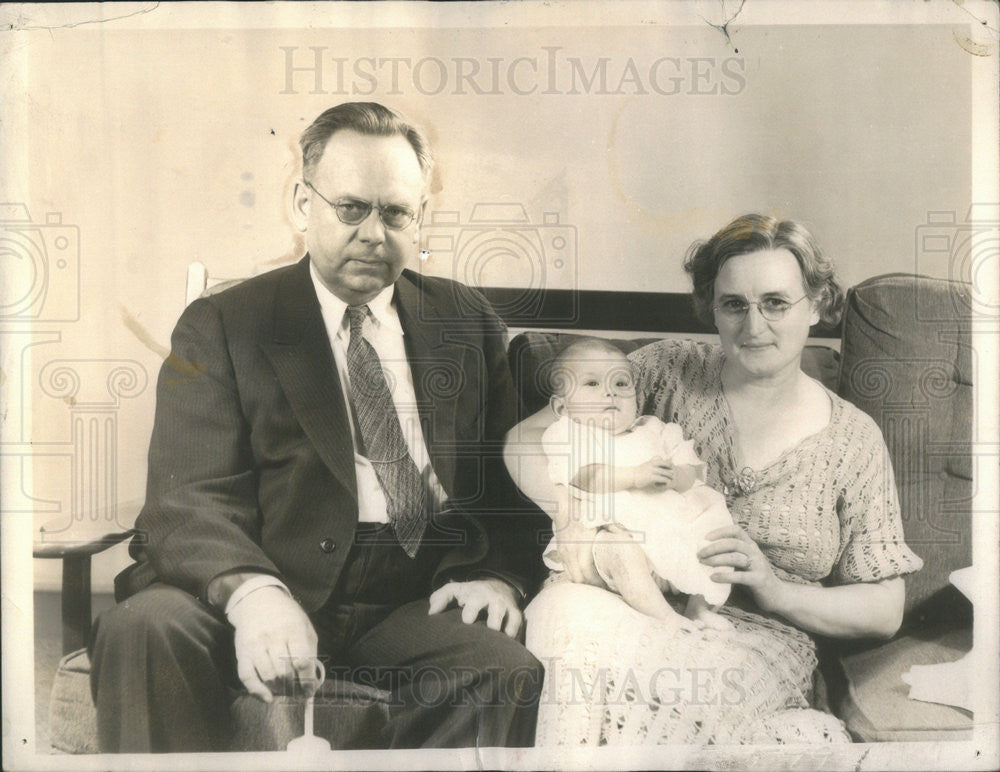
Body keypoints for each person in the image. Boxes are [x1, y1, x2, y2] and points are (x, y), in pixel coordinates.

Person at [89, 102, 547, 752]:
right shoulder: (226, 323)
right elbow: (187, 497)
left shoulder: (464, 321)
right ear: (303, 203)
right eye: (351, 208)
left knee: (503, 670)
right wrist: (253, 596)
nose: (372, 233)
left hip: (409, 596)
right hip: (266, 566)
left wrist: (500, 575)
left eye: (395, 213)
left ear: (422, 216)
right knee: (143, 628)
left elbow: (511, 490)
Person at [505, 214, 923, 744]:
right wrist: (577, 515)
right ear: (713, 310)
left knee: (679, 717)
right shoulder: (666, 369)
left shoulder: (852, 440)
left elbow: (884, 609)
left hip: (753, 638)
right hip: (618, 598)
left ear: (815, 305)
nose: (754, 326)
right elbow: (531, 438)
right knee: (569, 636)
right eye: (734, 305)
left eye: (775, 302)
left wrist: (773, 588)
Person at [538, 338, 733, 629]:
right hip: (611, 538)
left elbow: (694, 470)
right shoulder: (568, 434)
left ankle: (700, 608)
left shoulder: (658, 430)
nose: (609, 393)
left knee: (722, 540)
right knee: (619, 549)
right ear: (562, 407)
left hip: (674, 535)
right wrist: (636, 476)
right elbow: (584, 477)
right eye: (592, 384)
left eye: (621, 384)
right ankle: (664, 617)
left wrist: (677, 476)